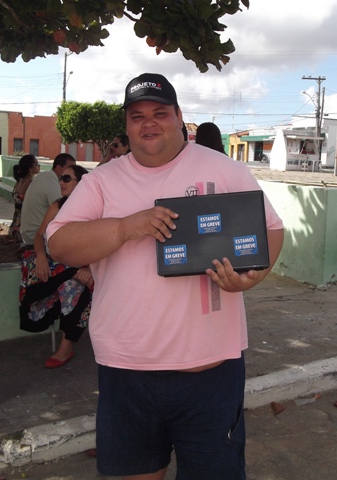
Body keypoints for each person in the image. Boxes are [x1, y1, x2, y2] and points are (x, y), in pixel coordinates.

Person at [47, 73, 284, 479]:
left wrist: (253, 277)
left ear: (178, 116)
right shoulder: (102, 181)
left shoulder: (223, 169)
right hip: (126, 371)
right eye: (137, 116)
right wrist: (125, 227)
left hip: (209, 371)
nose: (149, 124)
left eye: (159, 113)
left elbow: (271, 230)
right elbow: (59, 244)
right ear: (126, 125)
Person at [19, 164, 93, 368]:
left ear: (81, 183)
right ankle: (73, 274)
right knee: (72, 280)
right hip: (55, 263)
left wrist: (89, 269)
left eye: (67, 179)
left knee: (74, 286)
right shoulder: (57, 206)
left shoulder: (95, 210)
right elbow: (39, 236)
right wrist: (41, 256)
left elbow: (101, 244)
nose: (61, 182)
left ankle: (66, 347)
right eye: (61, 178)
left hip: (81, 265)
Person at [19, 153, 76, 246]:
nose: (73, 171)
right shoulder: (51, 183)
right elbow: (64, 212)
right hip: (35, 236)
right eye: (70, 168)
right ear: (59, 168)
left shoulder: (46, 177)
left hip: (29, 233)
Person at [8, 154, 40, 243]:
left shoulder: (19, 181)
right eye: (36, 164)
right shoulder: (31, 183)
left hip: (16, 220)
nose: (39, 166)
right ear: (30, 168)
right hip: (26, 221)